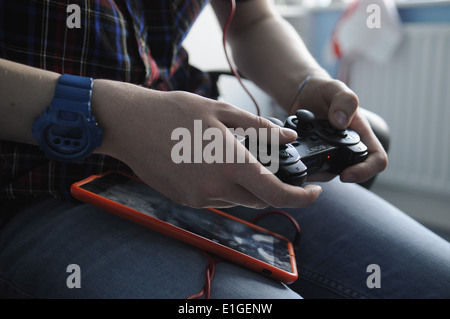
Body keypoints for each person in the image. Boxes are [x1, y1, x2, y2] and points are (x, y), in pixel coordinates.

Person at [0, 0, 449, 299]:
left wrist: (306, 83)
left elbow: (252, 20)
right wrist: (117, 118)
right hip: (37, 187)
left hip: (209, 151)